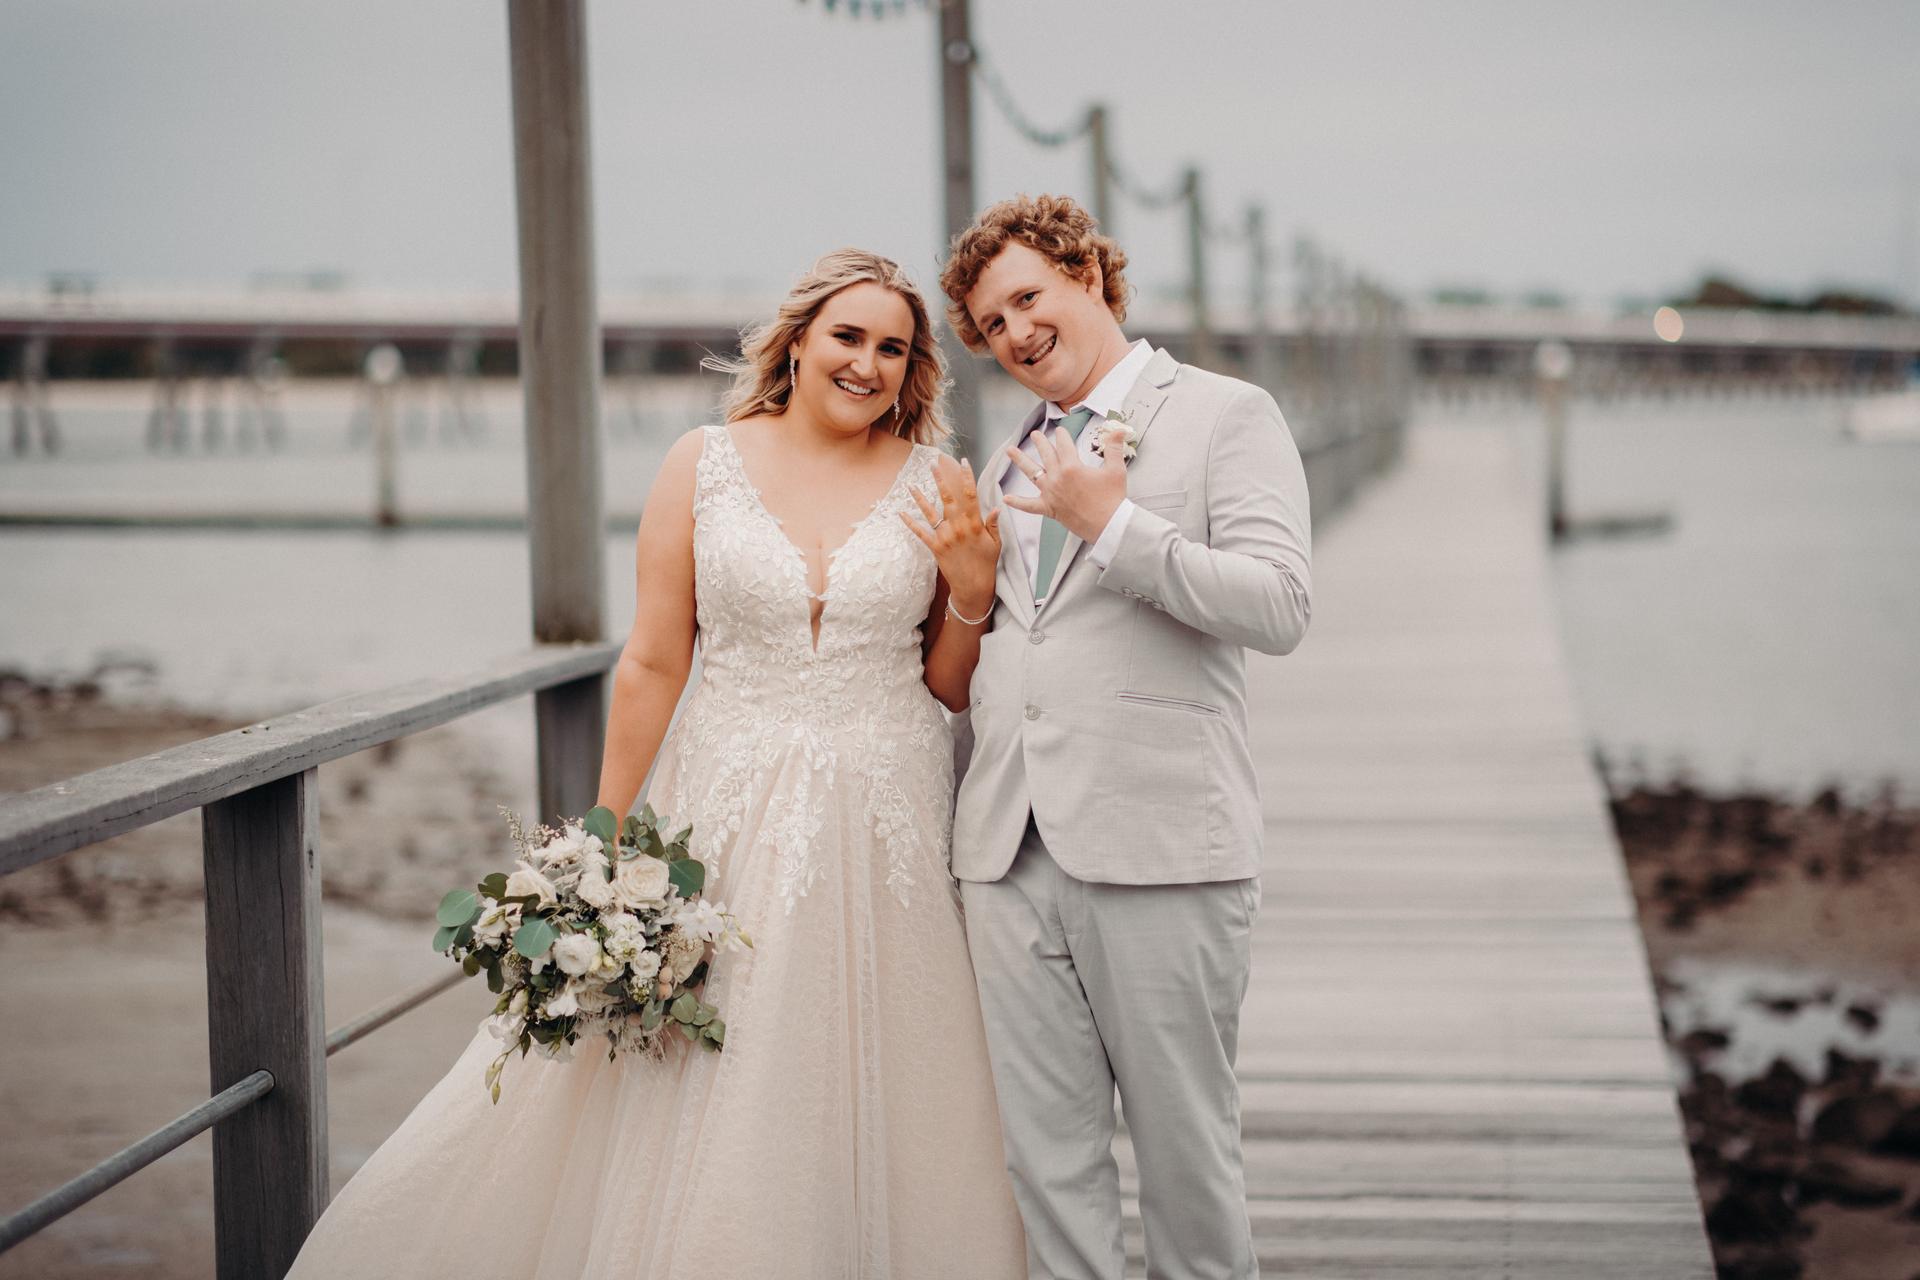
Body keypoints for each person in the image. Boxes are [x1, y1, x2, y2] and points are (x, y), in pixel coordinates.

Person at [287, 249, 1026, 1278]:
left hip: (885, 812)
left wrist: (974, 586)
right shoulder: (703, 461)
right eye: (848, 337)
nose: (867, 363)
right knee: (708, 1055)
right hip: (722, 798)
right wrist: (600, 834)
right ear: (799, 339)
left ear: (915, 371)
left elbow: (949, 683)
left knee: (887, 1069)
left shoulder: (933, 481)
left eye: (892, 348)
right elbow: (650, 658)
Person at [939, 194, 1313, 1280]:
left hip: (1161, 844)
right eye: (990, 323)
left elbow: (1280, 604)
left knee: (1188, 1169)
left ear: (1089, 274)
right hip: (1007, 850)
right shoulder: (1004, 458)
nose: (1013, 332)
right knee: (1049, 1171)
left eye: (1027, 297)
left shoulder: (1224, 414)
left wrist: (1116, 527)